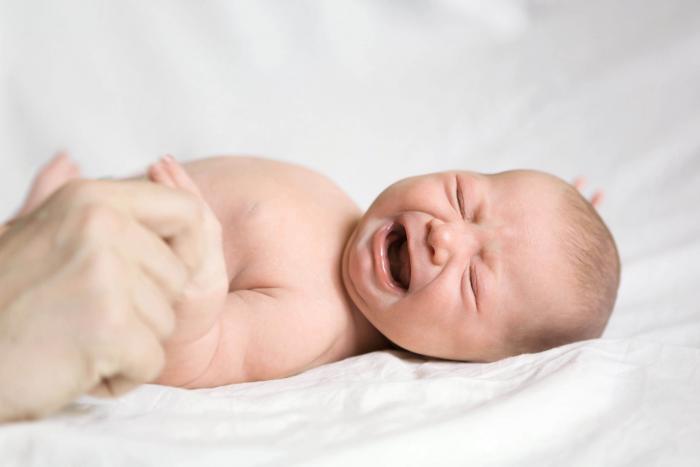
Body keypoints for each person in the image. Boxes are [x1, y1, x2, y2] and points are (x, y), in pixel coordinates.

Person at [3, 153, 620, 396]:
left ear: (475, 360)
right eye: (462, 197)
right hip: (75, 225)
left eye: (474, 282)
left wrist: (197, 296)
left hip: (81, 275)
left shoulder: (314, 320)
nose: (446, 233)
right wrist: (560, 214)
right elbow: (522, 238)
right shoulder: (352, 214)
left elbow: (199, 354)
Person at [0, 161, 214, 421]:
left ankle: (28, 226)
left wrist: (198, 290)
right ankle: (27, 224)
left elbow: (201, 357)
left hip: (125, 252)